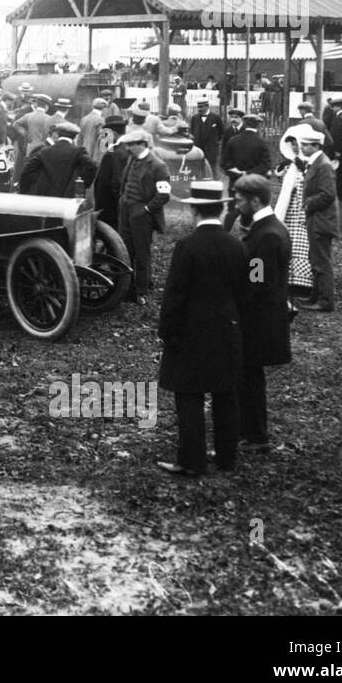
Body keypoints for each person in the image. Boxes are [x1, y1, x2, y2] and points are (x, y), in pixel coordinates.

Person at [155, 180, 248, 478]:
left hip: (191, 332)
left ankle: (192, 460)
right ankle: (226, 458)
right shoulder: (239, 247)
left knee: (189, 396)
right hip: (227, 329)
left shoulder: (187, 247)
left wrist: (166, 331)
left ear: (194, 209)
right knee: (226, 394)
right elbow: (248, 290)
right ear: (222, 209)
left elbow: (175, 295)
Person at [233, 173, 292, 451]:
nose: (236, 203)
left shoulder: (265, 236)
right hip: (261, 316)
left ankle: (255, 435)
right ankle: (250, 430)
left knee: (250, 377)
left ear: (255, 201)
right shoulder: (271, 228)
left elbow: (257, 281)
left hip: (257, 320)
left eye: (239, 198)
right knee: (248, 376)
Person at [117, 128, 171, 305]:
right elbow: (125, 183)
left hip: (142, 215)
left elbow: (164, 195)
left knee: (142, 253)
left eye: (131, 144)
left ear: (142, 145)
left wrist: (146, 209)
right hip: (126, 211)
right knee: (125, 250)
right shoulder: (132, 160)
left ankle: (141, 289)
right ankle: (127, 288)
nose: (127, 147)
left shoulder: (158, 166)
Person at [292, 123, 338, 312]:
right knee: (315, 258)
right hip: (316, 218)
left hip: (321, 220)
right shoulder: (316, 162)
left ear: (316, 146)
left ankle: (326, 301)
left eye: (306, 145)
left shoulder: (323, 165)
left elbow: (328, 194)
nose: (302, 148)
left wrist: (308, 203)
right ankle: (315, 296)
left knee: (321, 261)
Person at [220, 114, 271, 231]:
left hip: (235, 182)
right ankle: (247, 234)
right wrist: (248, 173)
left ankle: (224, 234)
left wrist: (236, 172)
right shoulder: (261, 143)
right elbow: (266, 165)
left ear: (245, 124)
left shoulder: (233, 141)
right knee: (251, 209)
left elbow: (224, 162)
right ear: (258, 125)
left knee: (232, 210)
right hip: (253, 183)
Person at [17, 122, 96, 198]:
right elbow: (92, 167)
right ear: (75, 137)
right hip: (68, 197)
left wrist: (31, 188)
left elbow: (27, 171)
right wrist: (81, 184)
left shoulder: (44, 151)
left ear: (58, 134)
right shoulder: (79, 151)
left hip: (45, 196)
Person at [189, 99, 224, 176]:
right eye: (198, 107)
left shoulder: (215, 117)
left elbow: (221, 132)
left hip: (211, 149)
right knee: (197, 169)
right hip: (198, 149)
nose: (199, 109)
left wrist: (214, 142)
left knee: (212, 169)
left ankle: (214, 184)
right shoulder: (194, 118)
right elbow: (191, 132)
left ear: (207, 106)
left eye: (201, 107)